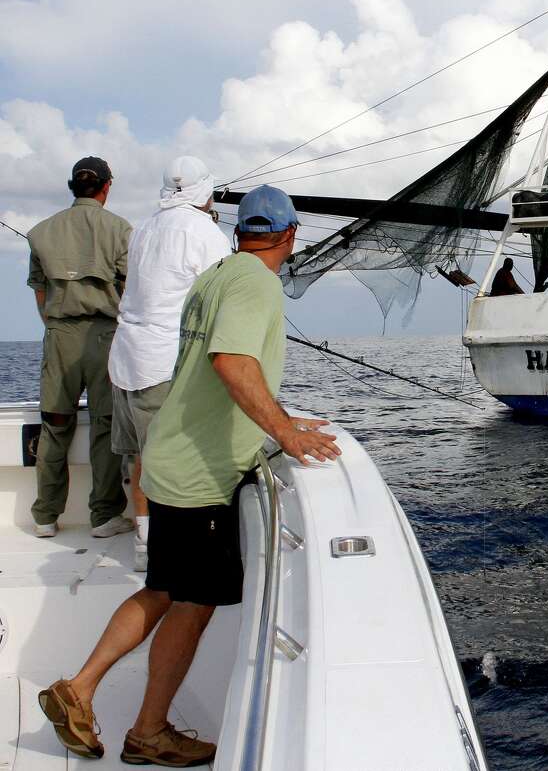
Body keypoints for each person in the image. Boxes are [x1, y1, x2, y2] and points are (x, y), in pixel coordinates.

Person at [38, 184, 340, 766]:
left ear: (240, 232)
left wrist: (278, 415)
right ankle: (137, 724)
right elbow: (230, 362)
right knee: (189, 600)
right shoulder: (257, 283)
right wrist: (286, 433)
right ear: (290, 235)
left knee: (165, 590)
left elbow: (206, 369)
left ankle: (87, 694)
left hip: (171, 456)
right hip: (199, 474)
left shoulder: (220, 274)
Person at [108, 156, 229, 571]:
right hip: (163, 361)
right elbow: (220, 295)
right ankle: (163, 547)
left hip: (126, 357)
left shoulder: (143, 226)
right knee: (168, 456)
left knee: (142, 455)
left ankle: (145, 540)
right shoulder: (205, 231)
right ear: (204, 191)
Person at [27, 156, 132, 539]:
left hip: (59, 338)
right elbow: (131, 290)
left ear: (74, 186)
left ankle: (44, 516)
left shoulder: (40, 232)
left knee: (55, 425)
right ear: (107, 186)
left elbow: (41, 292)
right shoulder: (121, 230)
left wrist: (57, 327)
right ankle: (103, 516)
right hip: (107, 338)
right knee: (106, 426)